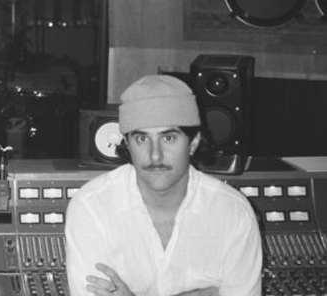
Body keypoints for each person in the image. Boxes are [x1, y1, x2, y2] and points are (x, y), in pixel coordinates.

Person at [65, 75, 262, 296]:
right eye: (142, 139)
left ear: (193, 143)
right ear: (127, 144)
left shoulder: (234, 213)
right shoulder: (92, 206)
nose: (155, 155)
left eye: (168, 138)